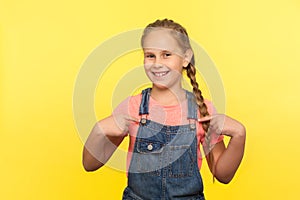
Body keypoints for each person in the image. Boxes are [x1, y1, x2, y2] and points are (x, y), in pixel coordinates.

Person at [82, 19, 246, 200]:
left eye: (167, 54)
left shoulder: (202, 110)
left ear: (185, 58)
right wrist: (99, 130)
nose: (157, 63)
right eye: (150, 55)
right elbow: (90, 164)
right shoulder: (133, 107)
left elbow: (223, 175)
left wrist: (239, 134)